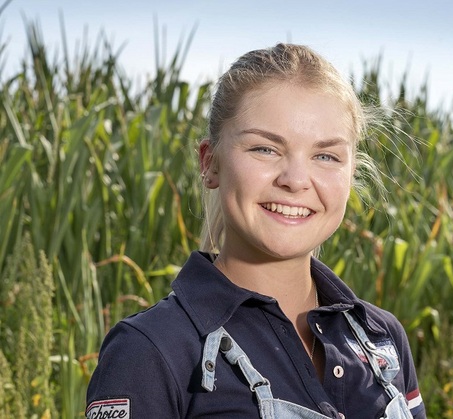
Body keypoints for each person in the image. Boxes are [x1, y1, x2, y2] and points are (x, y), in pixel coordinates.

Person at [86, 43, 426, 419]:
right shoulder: (150, 351)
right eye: (265, 149)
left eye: (325, 156)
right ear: (210, 162)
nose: (296, 181)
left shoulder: (383, 338)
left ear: (351, 173)